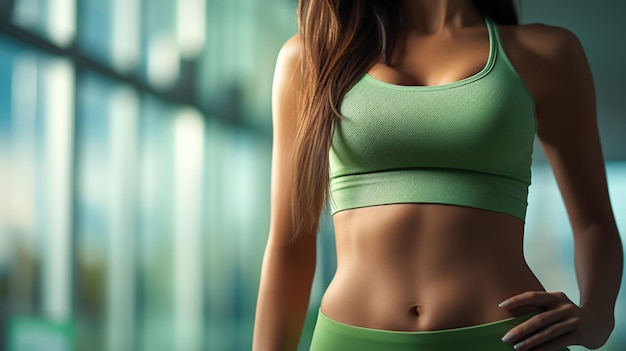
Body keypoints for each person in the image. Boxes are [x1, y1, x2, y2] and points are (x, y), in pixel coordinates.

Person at [253, 0, 623, 350]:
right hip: (351, 339)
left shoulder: (546, 52)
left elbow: (594, 224)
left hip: (507, 338)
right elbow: (291, 244)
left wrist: (597, 319)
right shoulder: (310, 59)